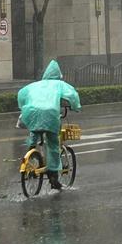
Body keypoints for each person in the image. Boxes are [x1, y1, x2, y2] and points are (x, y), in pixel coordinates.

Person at [17, 59, 81, 190]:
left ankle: (31, 151)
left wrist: (23, 105)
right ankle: (53, 177)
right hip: (50, 114)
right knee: (53, 143)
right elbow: (72, 95)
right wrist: (76, 106)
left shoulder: (35, 85)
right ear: (58, 74)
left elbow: (21, 94)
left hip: (31, 112)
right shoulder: (59, 84)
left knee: (34, 132)